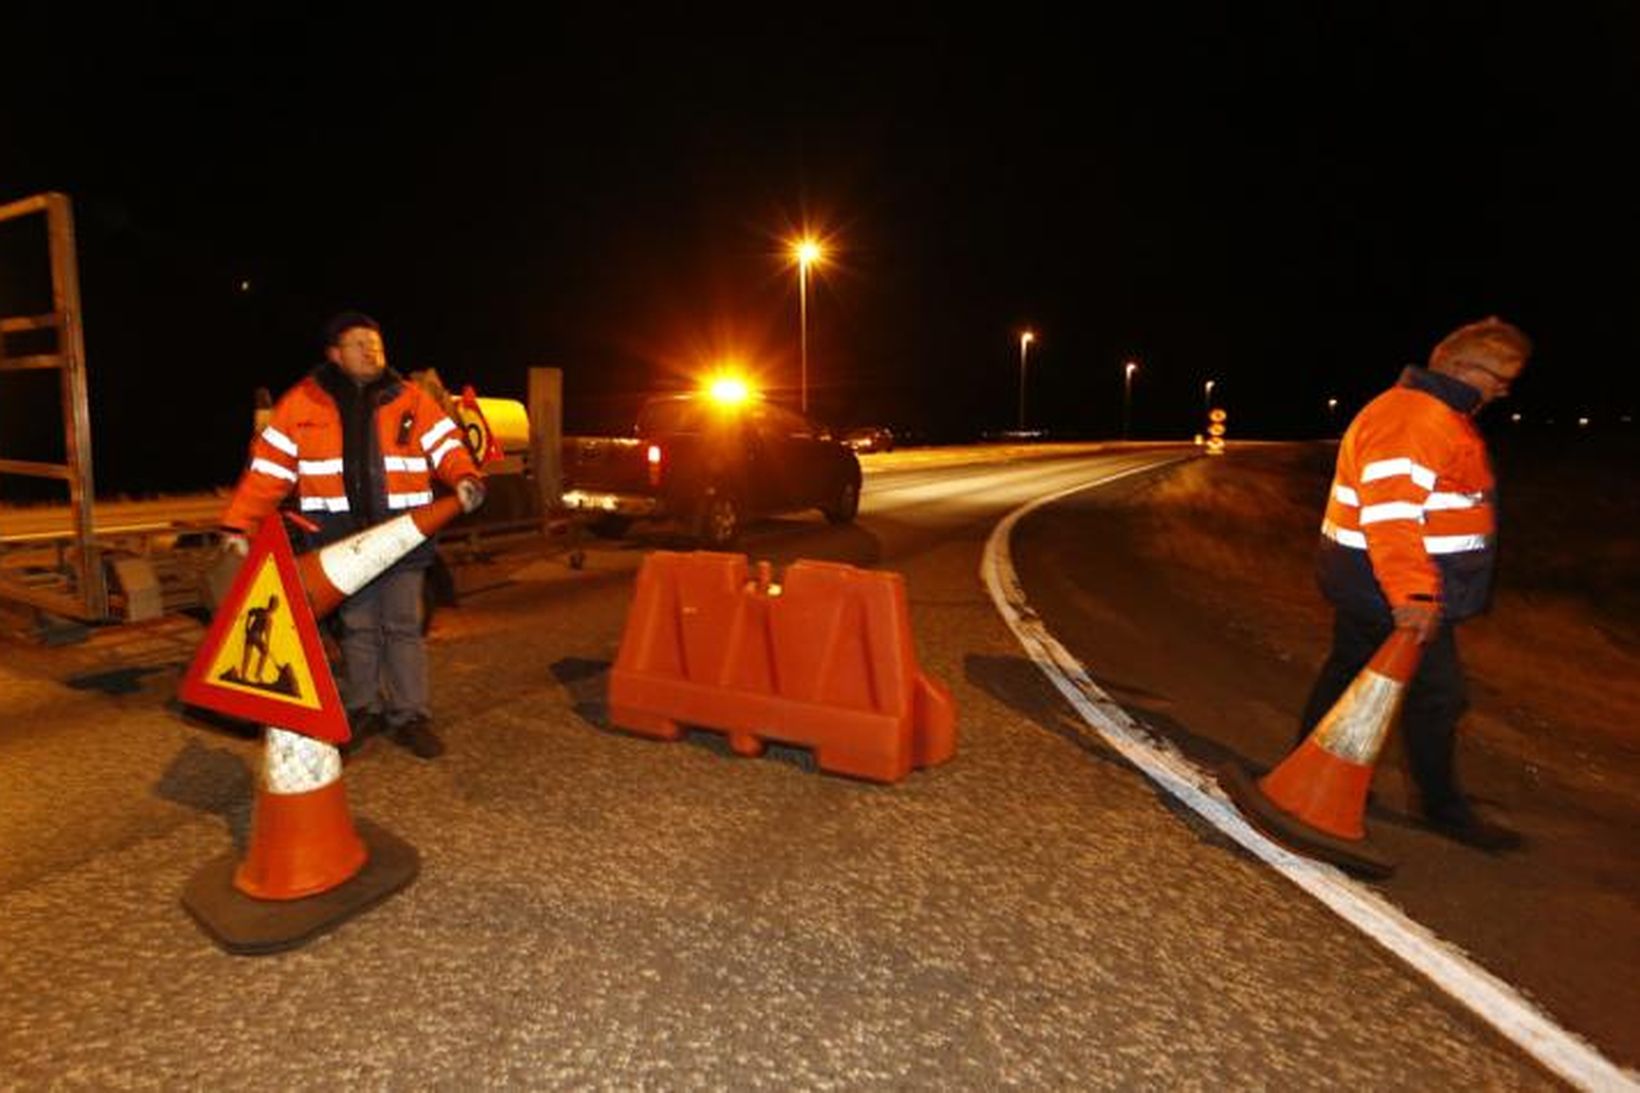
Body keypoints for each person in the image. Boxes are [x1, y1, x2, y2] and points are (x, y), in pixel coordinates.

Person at [1299, 316, 1531, 852]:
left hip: (1372, 582)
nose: (1503, 388)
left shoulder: (1438, 414)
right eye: (1498, 374)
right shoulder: (1416, 418)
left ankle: (1309, 768)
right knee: (1439, 697)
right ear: (1455, 364)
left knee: (1349, 673)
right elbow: (1393, 515)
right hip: (1392, 588)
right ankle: (1444, 808)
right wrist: (1416, 596)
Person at [221, 311, 485, 759]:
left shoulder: (412, 400)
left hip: (403, 537)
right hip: (341, 545)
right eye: (358, 342)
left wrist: (464, 476)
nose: (371, 349)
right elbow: (268, 472)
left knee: (402, 626)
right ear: (333, 354)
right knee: (359, 629)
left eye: (376, 342)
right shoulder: (300, 405)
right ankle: (363, 708)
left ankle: (410, 715)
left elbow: (448, 446)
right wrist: (238, 523)